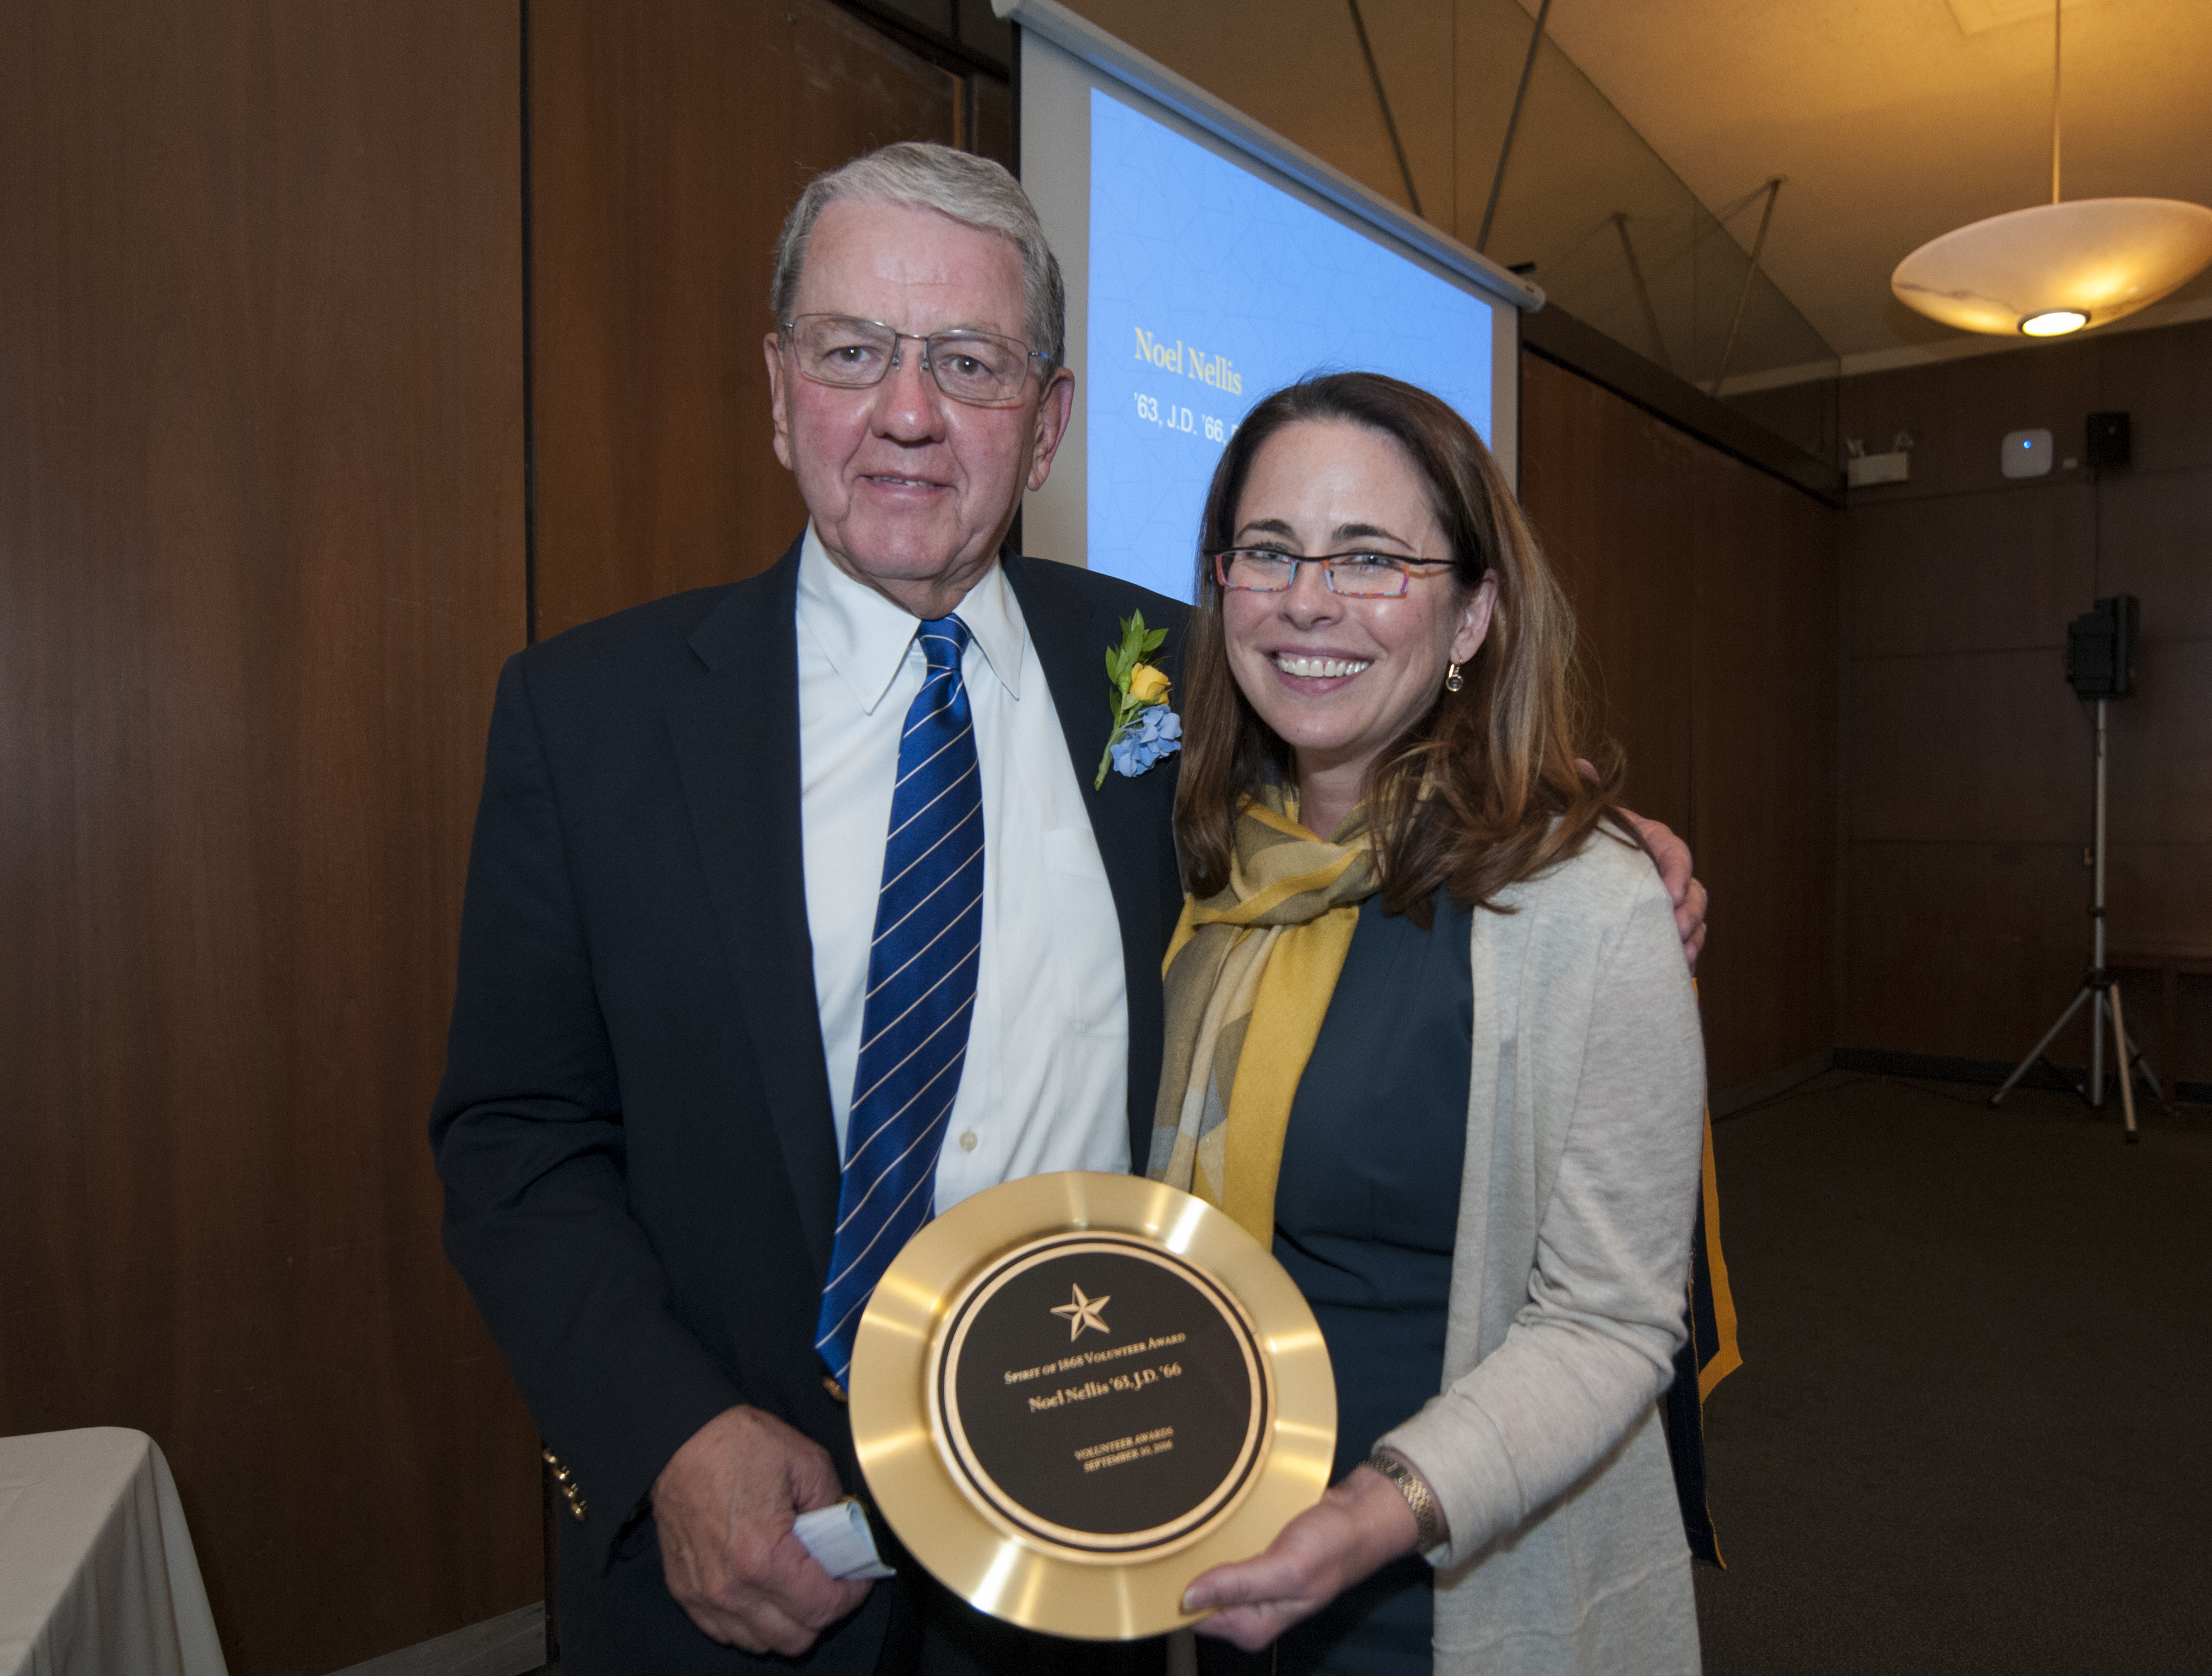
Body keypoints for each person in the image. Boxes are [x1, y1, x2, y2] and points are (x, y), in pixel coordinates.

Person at [428, 146, 1708, 1674]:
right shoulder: (591, 720)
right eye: (854, 353)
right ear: (780, 391)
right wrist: (669, 1435)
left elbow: (1374, 769)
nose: (909, 411)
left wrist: (1586, 826)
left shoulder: (1173, 675)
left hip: (1085, 1537)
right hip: (739, 1553)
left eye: (969, 363)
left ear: (1048, 421)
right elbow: (515, 1136)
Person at [1152, 373, 1705, 1675]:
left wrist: (1370, 1511)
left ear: (1471, 613)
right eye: (1270, 552)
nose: (1307, 600)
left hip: (1450, 1582)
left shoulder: (1582, 905)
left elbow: (1611, 1320)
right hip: (1202, 1557)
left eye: (1370, 559)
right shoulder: (1193, 868)